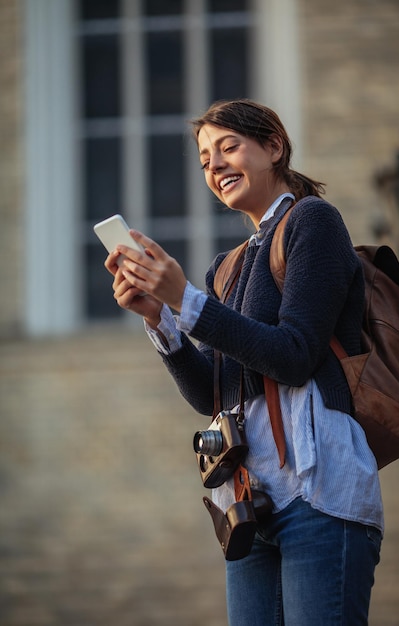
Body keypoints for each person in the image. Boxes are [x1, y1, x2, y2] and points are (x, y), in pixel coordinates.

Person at [104, 99, 383, 626]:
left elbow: (296, 356)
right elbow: (210, 394)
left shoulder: (313, 222)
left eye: (229, 147)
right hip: (250, 507)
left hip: (318, 494)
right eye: (206, 160)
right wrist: (161, 319)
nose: (215, 166)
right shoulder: (225, 267)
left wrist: (187, 300)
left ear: (274, 146)